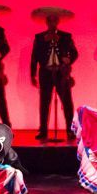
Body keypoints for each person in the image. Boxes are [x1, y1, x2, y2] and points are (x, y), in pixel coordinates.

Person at [30, 12, 79, 142]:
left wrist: (68, 60)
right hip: (45, 72)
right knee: (44, 102)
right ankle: (43, 130)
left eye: (54, 21)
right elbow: (35, 56)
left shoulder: (65, 36)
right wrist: (32, 74)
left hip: (61, 72)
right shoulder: (40, 37)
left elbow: (74, 53)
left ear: (57, 22)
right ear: (47, 22)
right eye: (49, 21)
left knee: (67, 102)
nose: (52, 23)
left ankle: (70, 130)